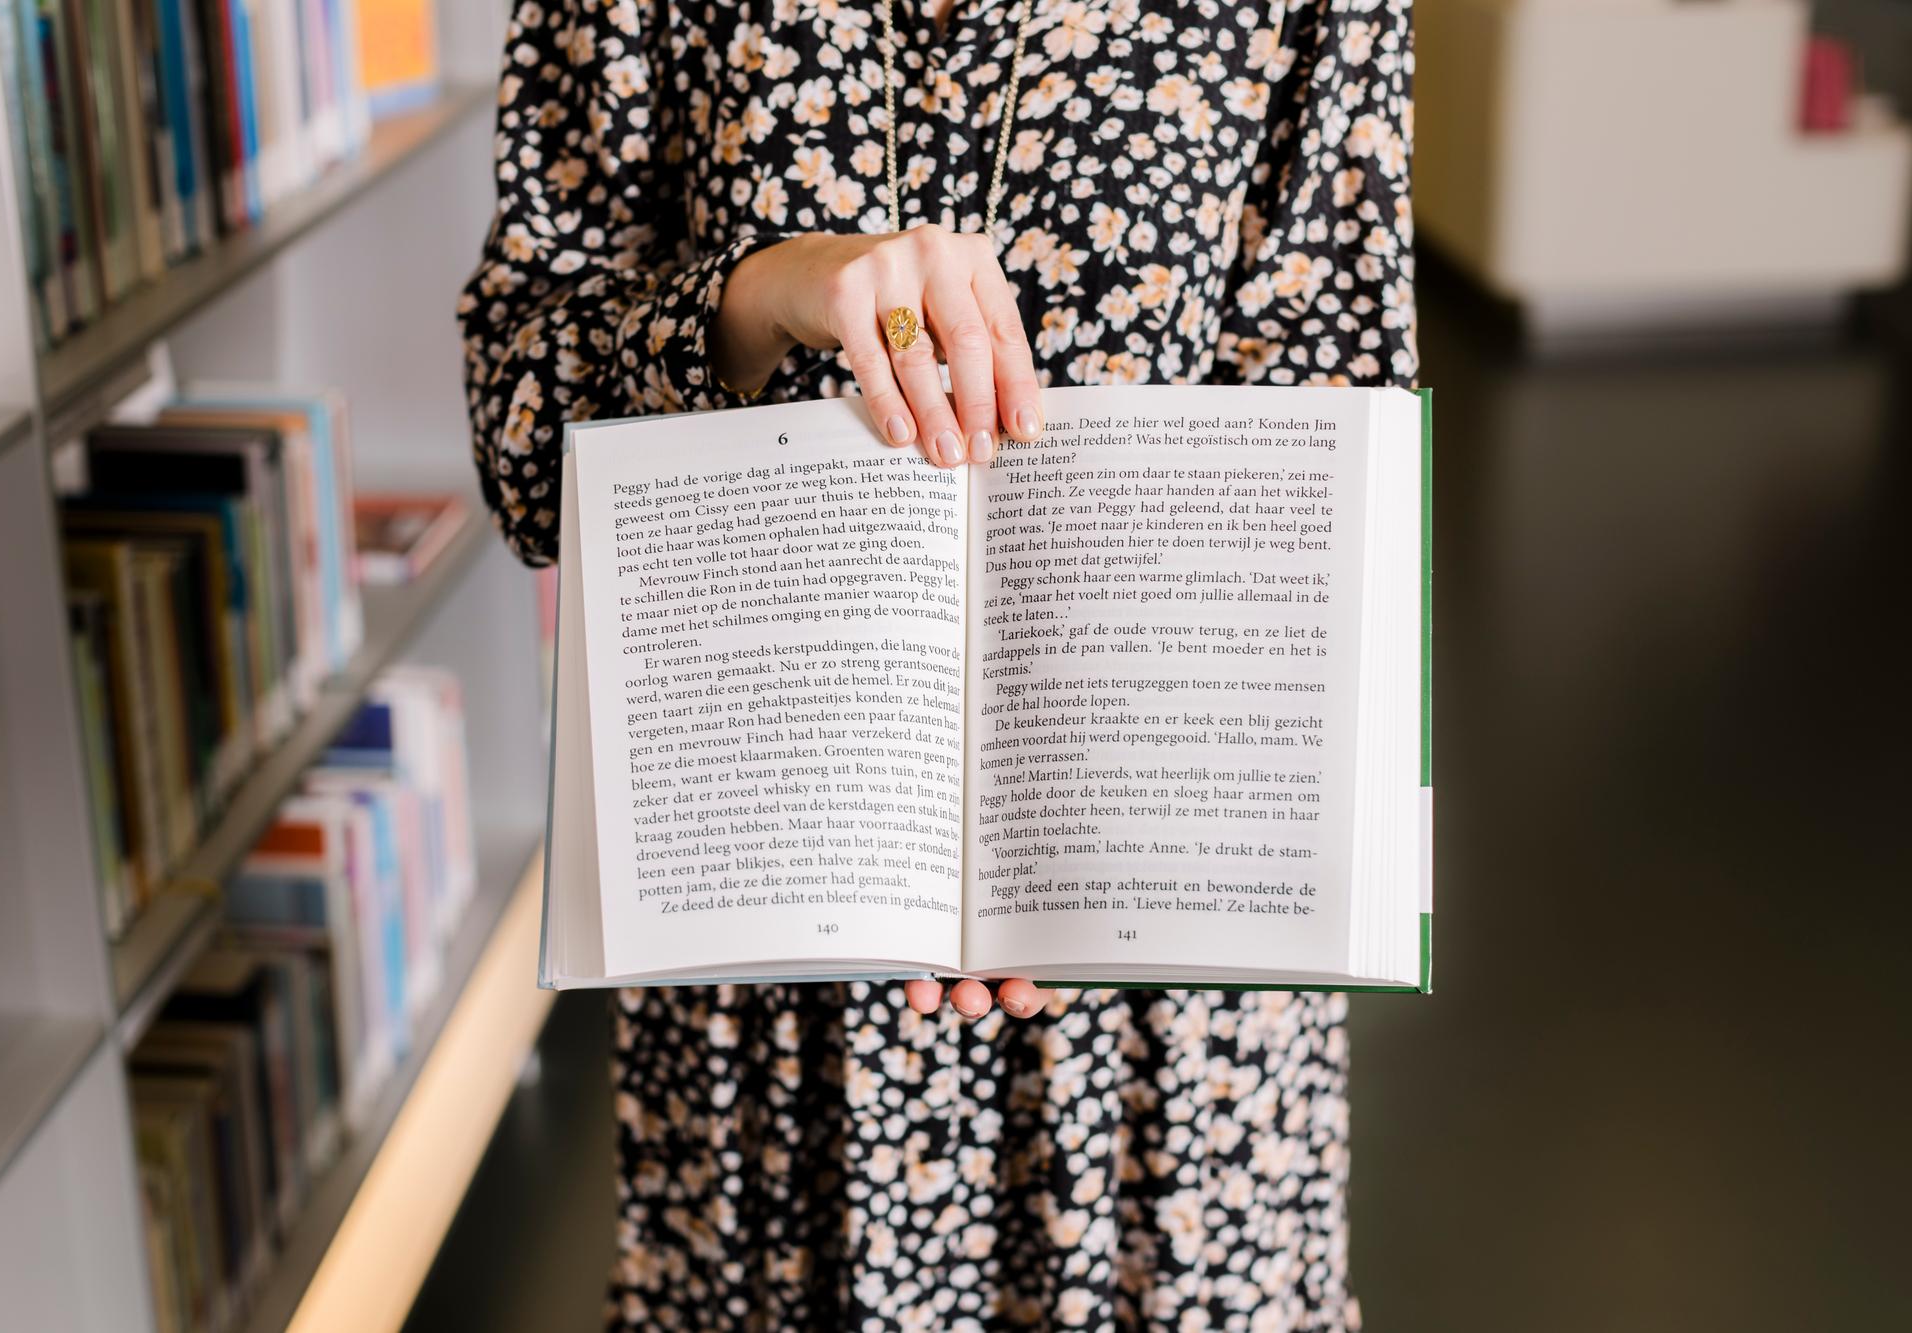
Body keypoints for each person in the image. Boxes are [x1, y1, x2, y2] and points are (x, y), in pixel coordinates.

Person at [460, 0, 1414, 1326]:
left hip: (1156, 977)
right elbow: (519, 445)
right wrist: (757, 292)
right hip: (769, 958)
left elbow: (1341, 436)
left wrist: (1137, 824)